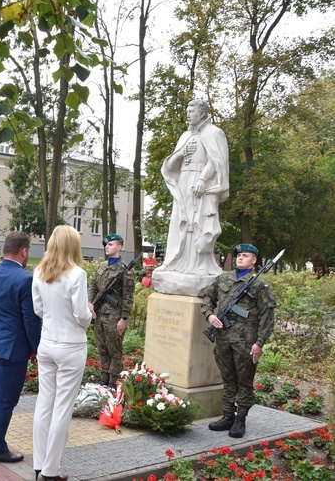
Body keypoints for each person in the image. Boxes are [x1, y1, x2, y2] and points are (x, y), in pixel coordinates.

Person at [32, 225, 92, 481]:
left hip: (47, 343)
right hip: (70, 345)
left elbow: (38, 309)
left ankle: (39, 463)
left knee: (44, 403)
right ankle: (50, 470)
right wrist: (89, 313)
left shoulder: (39, 271)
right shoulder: (77, 274)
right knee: (62, 408)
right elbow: (82, 316)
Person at [152, 98, 229, 295]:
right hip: (185, 183)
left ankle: (199, 265)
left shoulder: (215, 133)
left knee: (199, 223)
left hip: (202, 185)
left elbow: (217, 161)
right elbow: (170, 167)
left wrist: (203, 179)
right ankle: (175, 262)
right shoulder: (185, 136)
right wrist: (180, 154)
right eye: (187, 110)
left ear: (202, 113)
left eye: (192, 110)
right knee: (181, 223)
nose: (188, 114)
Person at [0, 232, 40, 463]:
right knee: (4, 400)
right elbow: (30, 319)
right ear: (23, 251)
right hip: (12, 347)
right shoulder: (25, 279)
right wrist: (36, 347)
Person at [201, 243, 275, 439]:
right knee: (228, 379)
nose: (240, 258)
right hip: (223, 338)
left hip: (246, 341)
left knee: (245, 381)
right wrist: (209, 316)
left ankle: (240, 419)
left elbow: (267, 316)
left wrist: (259, 343)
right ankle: (227, 416)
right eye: (239, 255)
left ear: (254, 260)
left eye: (246, 255)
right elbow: (207, 298)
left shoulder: (259, 285)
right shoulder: (224, 278)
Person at [88, 234, 135, 387]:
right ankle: (103, 380)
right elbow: (93, 285)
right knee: (102, 349)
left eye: (111, 244)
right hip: (99, 314)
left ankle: (113, 382)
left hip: (115, 317)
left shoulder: (125, 271)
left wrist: (124, 319)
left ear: (119, 247)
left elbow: (128, 297)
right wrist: (89, 302)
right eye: (106, 245)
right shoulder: (102, 267)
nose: (107, 247)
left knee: (114, 351)